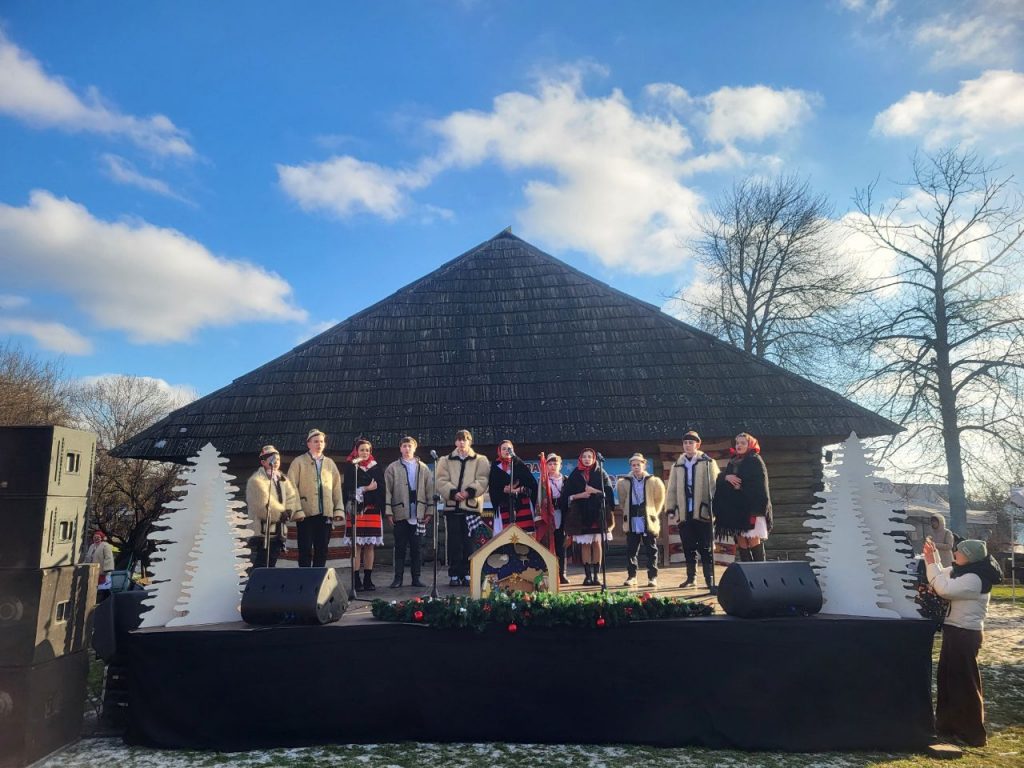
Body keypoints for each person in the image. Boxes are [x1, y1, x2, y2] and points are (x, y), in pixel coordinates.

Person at [924, 537, 1003, 747]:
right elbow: (942, 576)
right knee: (947, 679)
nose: (955, 553)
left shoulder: (975, 579)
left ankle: (971, 733)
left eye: (959, 551)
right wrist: (933, 558)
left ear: (969, 556)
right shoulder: (963, 571)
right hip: (955, 631)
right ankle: (947, 726)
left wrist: (931, 563)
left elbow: (944, 588)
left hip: (965, 633)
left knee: (964, 683)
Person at [665, 430, 719, 590]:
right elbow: (672, 488)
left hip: (702, 511)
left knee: (705, 546)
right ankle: (691, 577)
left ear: (698, 444)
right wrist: (671, 507)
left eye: (691, 443)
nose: (687, 445)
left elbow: (715, 486)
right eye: (685, 443)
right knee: (688, 545)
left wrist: (714, 507)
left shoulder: (707, 462)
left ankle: (709, 579)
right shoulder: (677, 465)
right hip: (684, 511)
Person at [435, 429, 490, 587]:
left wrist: (468, 492)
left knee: (469, 542)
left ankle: (468, 573)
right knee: (454, 542)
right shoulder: (445, 460)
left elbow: (482, 479)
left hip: (471, 508)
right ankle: (454, 574)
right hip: (452, 508)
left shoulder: (480, 460)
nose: (461, 442)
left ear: (470, 441)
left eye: (464, 439)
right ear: (455, 442)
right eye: (459, 439)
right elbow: (440, 480)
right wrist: (453, 493)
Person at [287, 428, 345, 568]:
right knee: (305, 548)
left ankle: (318, 577)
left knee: (322, 548)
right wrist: (297, 510)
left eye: (321, 441)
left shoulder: (330, 463)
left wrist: (338, 509)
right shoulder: (298, 462)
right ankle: (304, 577)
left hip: (325, 513)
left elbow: (336, 488)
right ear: (308, 443)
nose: (319, 444)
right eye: (316, 441)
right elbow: (290, 487)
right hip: (305, 513)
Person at [384, 436, 434, 588]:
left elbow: (429, 489)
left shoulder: (423, 468)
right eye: (404, 446)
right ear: (400, 449)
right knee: (400, 547)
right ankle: (398, 578)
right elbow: (387, 491)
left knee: (416, 548)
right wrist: (389, 511)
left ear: (415, 448)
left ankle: (416, 577)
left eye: (409, 446)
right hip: (400, 512)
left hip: (418, 513)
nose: (407, 449)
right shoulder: (392, 468)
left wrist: (429, 510)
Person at [713, 432, 773, 560]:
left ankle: (760, 570)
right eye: (737, 443)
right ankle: (747, 569)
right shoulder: (733, 461)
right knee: (741, 540)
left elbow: (760, 486)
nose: (739, 445)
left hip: (752, 508)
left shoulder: (755, 461)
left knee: (752, 538)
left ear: (750, 445)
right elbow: (722, 479)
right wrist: (726, 477)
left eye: (743, 443)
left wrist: (742, 486)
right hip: (737, 508)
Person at [560, 448, 615, 586]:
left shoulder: (601, 472)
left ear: (594, 458)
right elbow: (566, 496)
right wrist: (581, 495)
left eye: (589, 456)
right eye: (584, 456)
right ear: (580, 458)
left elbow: (608, 494)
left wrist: (594, 491)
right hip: (581, 514)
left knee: (596, 543)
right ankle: (588, 576)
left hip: (598, 514)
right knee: (585, 544)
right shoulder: (575, 475)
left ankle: (597, 576)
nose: (587, 459)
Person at [245, 445, 300, 569]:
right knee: (261, 562)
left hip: (278, 530)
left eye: (278, 459)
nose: (276, 462)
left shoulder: (283, 479)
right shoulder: (256, 480)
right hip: (262, 531)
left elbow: (291, 496)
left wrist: (289, 510)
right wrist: (280, 513)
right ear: (263, 462)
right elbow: (261, 502)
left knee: (272, 561)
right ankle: (256, 581)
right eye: (272, 459)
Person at [616, 453, 665, 588]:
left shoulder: (654, 481)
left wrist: (652, 512)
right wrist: (627, 510)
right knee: (631, 549)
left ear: (644, 465)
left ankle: (652, 577)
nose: (636, 467)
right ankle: (632, 576)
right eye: (633, 465)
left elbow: (659, 499)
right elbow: (622, 500)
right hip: (632, 517)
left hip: (647, 517)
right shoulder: (624, 482)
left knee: (651, 548)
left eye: (638, 464)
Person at [344, 438, 385, 591]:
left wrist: (373, 493)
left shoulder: (376, 467)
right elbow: (348, 489)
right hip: (357, 510)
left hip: (372, 510)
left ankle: (368, 579)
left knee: (369, 546)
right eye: (362, 450)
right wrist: (366, 489)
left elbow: (381, 487)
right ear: (356, 451)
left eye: (367, 450)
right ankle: (356, 580)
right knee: (357, 545)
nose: (365, 452)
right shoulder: (351, 468)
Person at [488, 440, 539, 536]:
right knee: (507, 535)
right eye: (504, 449)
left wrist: (517, 490)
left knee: (525, 533)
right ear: (499, 451)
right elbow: (493, 488)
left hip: (522, 503)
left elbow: (531, 484)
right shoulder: (495, 467)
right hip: (504, 504)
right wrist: (503, 490)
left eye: (509, 449)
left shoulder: (519, 464)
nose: (506, 451)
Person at [539, 453, 569, 584]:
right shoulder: (543, 481)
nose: (552, 466)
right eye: (550, 464)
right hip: (548, 516)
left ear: (560, 465)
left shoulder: (566, 480)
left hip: (562, 514)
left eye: (555, 464)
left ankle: (562, 573)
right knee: (547, 544)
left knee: (561, 545)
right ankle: (549, 572)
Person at [86, 530, 115, 602]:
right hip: (93, 571)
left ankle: (105, 601)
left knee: (103, 588)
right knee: (94, 588)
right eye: (94, 537)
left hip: (103, 571)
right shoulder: (92, 546)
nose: (96, 538)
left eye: (98, 537)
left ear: (101, 538)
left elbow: (109, 558)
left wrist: (106, 570)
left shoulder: (105, 545)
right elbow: (88, 557)